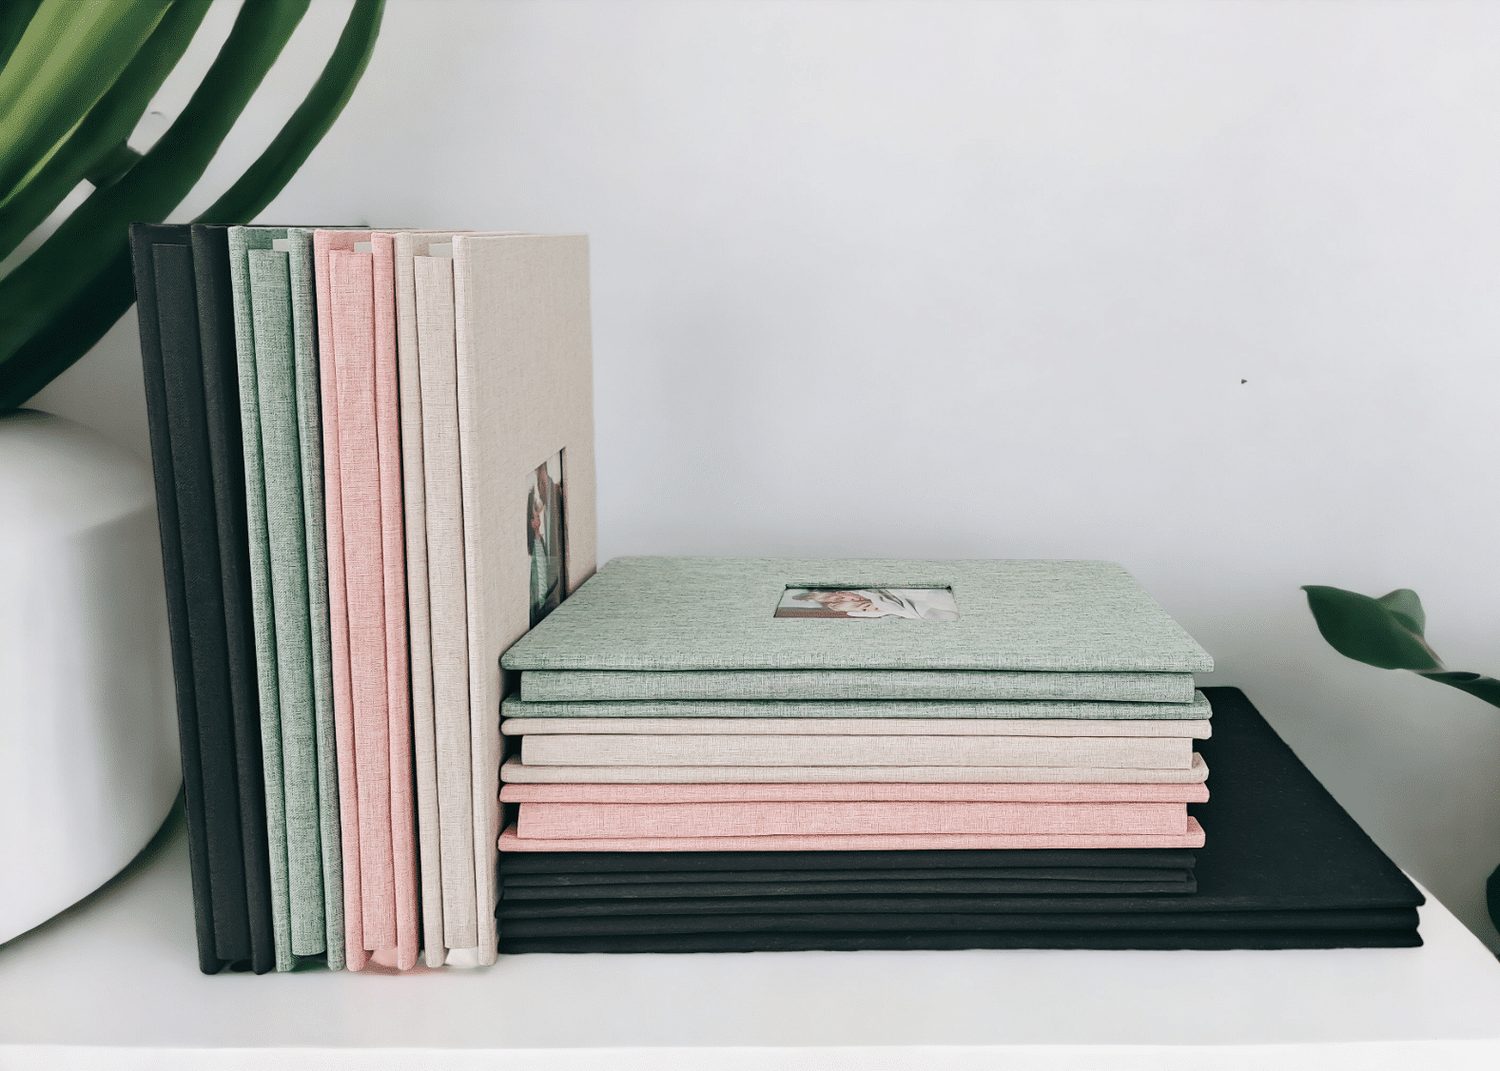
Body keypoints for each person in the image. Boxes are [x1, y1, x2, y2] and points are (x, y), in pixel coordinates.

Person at [789, 587, 957, 621]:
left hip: (910, 598)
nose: (839, 596)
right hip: (909, 607)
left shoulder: (857, 593)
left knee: (935, 598)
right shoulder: (848, 609)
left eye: (838, 595)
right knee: (934, 608)